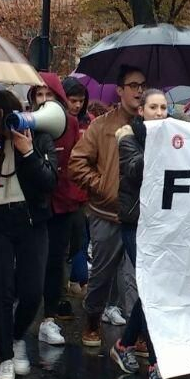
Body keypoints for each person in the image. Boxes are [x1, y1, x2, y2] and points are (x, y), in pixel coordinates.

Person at [0, 90, 57, 379]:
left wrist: (27, 152)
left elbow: (49, 182)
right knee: (2, 290)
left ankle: (15, 335)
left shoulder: (39, 138)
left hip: (31, 221)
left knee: (32, 292)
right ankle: (6, 358)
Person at [69, 65, 147, 348]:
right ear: (121, 90)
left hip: (141, 217)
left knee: (137, 279)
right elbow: (77, 163)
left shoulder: (153, 124)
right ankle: (92, 320)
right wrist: (102, 185)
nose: (139, 90)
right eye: (134, 85)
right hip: (107, 214)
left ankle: (137, 333)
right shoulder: (102, 125)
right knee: (101, 277)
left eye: (143, 85)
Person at [110, 88, 173, 379]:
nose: (160, 113)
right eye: (154, 108)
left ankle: (123, 345)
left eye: (164, 108)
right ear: (141, 112)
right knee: (153, 290)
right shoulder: (128, 139)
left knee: (154, 290)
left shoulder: (176, 138)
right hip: (136, 225)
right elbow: (136, 171)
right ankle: (157, 363)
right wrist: (158, 145)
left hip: (164, 225)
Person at [30, 74, 83, 345]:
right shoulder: (26, 124)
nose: (44, 100)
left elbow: (76, 160)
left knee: (55, 262)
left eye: (48, 95)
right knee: (31, 262)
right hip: (33, 205)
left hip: (62, 203)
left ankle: (49, 318)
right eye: (38, 95)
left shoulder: (71, 123)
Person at [60, 77, 93, 299]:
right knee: (61, 248)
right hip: (61, 193)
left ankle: (79, 280)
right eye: (73, 100)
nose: (77, 105)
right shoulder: (57, 123)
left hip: (83, 194)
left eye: (81, 101)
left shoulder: (88, 123)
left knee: (80, 240)